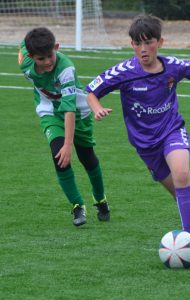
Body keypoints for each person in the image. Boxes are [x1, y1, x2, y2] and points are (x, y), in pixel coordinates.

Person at [85, 15, 190, 243]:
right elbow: (91, 91)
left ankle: (188, 239)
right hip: (144, 144)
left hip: (172, 130)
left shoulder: (174, 67)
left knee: (181, 174)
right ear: (131, 45)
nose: (143, 49)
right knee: (178, 193)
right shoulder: (123, 72)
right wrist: (97, 107)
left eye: (148, 42)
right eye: (137, 43)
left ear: (160, 42)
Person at [18, 27, 110, 227]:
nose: (47, 62)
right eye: (40, 59)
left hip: (78, 113)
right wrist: (63, 147)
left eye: (50, 56)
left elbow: (70, 109)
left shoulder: (66, 68)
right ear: (32, 56)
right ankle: (77, 206)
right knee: (59, 158)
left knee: (87, 158)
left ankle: (100, 199)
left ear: (56, 48)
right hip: (50, 113)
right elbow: (23, 46)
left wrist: (69, 144)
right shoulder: (25, 63)